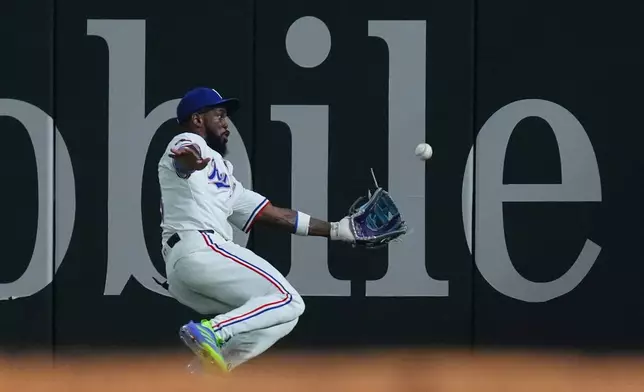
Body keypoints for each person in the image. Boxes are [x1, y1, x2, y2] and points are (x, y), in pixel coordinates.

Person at [157, 87, 357, 372]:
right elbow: (182, 157)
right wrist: (191, 160)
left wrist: (338, 230)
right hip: (200, 248)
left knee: (283, 316)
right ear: (198, 119)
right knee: (287, 299)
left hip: (185, 269)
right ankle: (212, 330)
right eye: (220, 115)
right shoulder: (189, 140)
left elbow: (277, 216)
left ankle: (203, 374)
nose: (226, 123)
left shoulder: (223, 175)